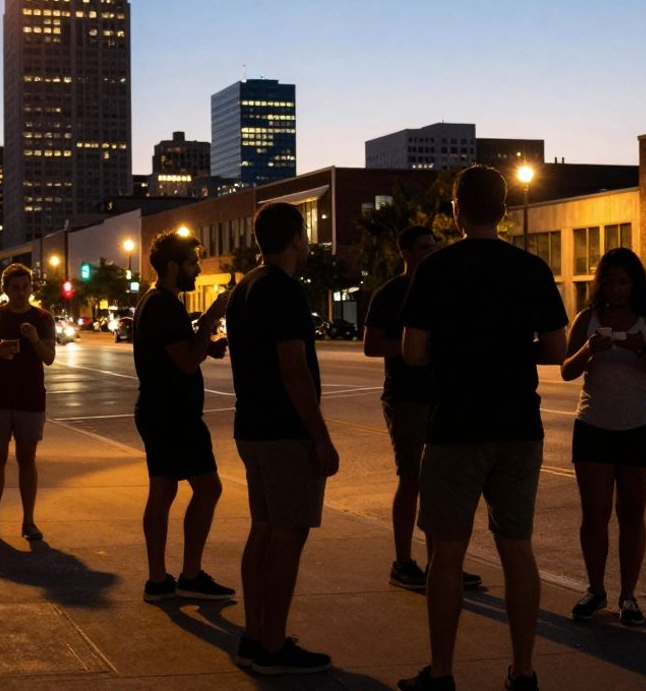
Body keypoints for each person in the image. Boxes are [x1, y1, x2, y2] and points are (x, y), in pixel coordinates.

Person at [398, 165, 567, 691]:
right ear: (504, 210)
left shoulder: (436, 269)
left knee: (446, 552)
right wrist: (511, 351)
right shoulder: (531, 268)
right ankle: (523, 670)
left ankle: (443, 672)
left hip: (456, 426)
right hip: (519, 423)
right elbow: (558, 349)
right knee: (517, 547)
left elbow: (413, 350)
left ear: (456, 210)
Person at [226, 202, 339, 675]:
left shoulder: (244, 288)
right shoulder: (286, 291)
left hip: (250, 428)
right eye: (306, 235)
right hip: (284, 434)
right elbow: (294, 369)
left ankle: (254, 635)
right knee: (288, 539)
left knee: (264, 532)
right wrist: (321, 437)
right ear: (295, 238)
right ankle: (273, 646)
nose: (308, 243)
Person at [560, 248, 646, 626]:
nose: (616, 289)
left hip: (640, 425)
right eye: (609, 282)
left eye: (623, 281)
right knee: (594, 514)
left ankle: (629, 595)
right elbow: (566, 370)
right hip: (594, 424)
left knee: (631, 514)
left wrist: (639, 347)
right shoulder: (588, 318)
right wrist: (587, 350)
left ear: (636, 283)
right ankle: (595, 589)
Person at [363, 225, 482, 594]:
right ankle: (403, 562)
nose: (432, 253)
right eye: (424, 248)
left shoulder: (446, 288)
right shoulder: (390, 293)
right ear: (406, 253)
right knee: (412, 478)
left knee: (442, 482)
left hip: (444, 395)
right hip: (406, 397)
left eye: (436, 246)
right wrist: (413, 347)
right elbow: (371, 346)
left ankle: (441, 564)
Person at [134, 230, 234, 603]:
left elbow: (180, 353)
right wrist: (210, 319)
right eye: (191, 263)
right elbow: (186, 362)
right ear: (173, 266)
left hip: (162, 411)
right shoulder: (164, 305)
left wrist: (207, 345)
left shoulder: (156, 302)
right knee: (208, 488)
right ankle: (189, 574)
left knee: (163, 490)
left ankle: (159, 579)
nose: (195, 269)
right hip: (173, 415)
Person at [0, 264, 57, 542]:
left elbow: (49, 357)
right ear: (5, 290)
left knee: (27, 459)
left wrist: (34, 339)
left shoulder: (43, 318)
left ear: (31, 288)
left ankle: (29, 522)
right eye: (15, 288)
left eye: (25, 287)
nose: (21, 293)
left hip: (30, 400)